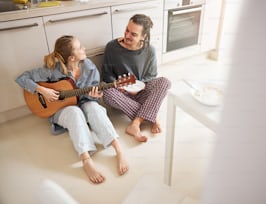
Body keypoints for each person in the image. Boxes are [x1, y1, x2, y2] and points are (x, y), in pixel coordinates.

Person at [15, 35, 129, 184]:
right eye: (80, 47)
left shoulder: (89, 67)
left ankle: (118, 150)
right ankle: (86, 160)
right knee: (74, 112)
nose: (84, 48)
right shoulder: (52, 71)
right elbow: (22, 78)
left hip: (84, 104)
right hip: (62, 110)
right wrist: (42, 90)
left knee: (94, 108)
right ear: (71, 58)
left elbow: (92, 97)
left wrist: (95, 96)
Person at [101, 14, 171, 143]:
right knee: (106, 93)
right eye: (127, 30)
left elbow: (151, 75)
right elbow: (106, 74)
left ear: (143, 37)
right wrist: (118, 86)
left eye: (133, 34)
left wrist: (138, 87)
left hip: (141, 90)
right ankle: (152, 116)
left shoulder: (150, 50)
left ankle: (136, 124)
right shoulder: (111, 47)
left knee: (165, 82)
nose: (127, 35)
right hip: (120, 93)